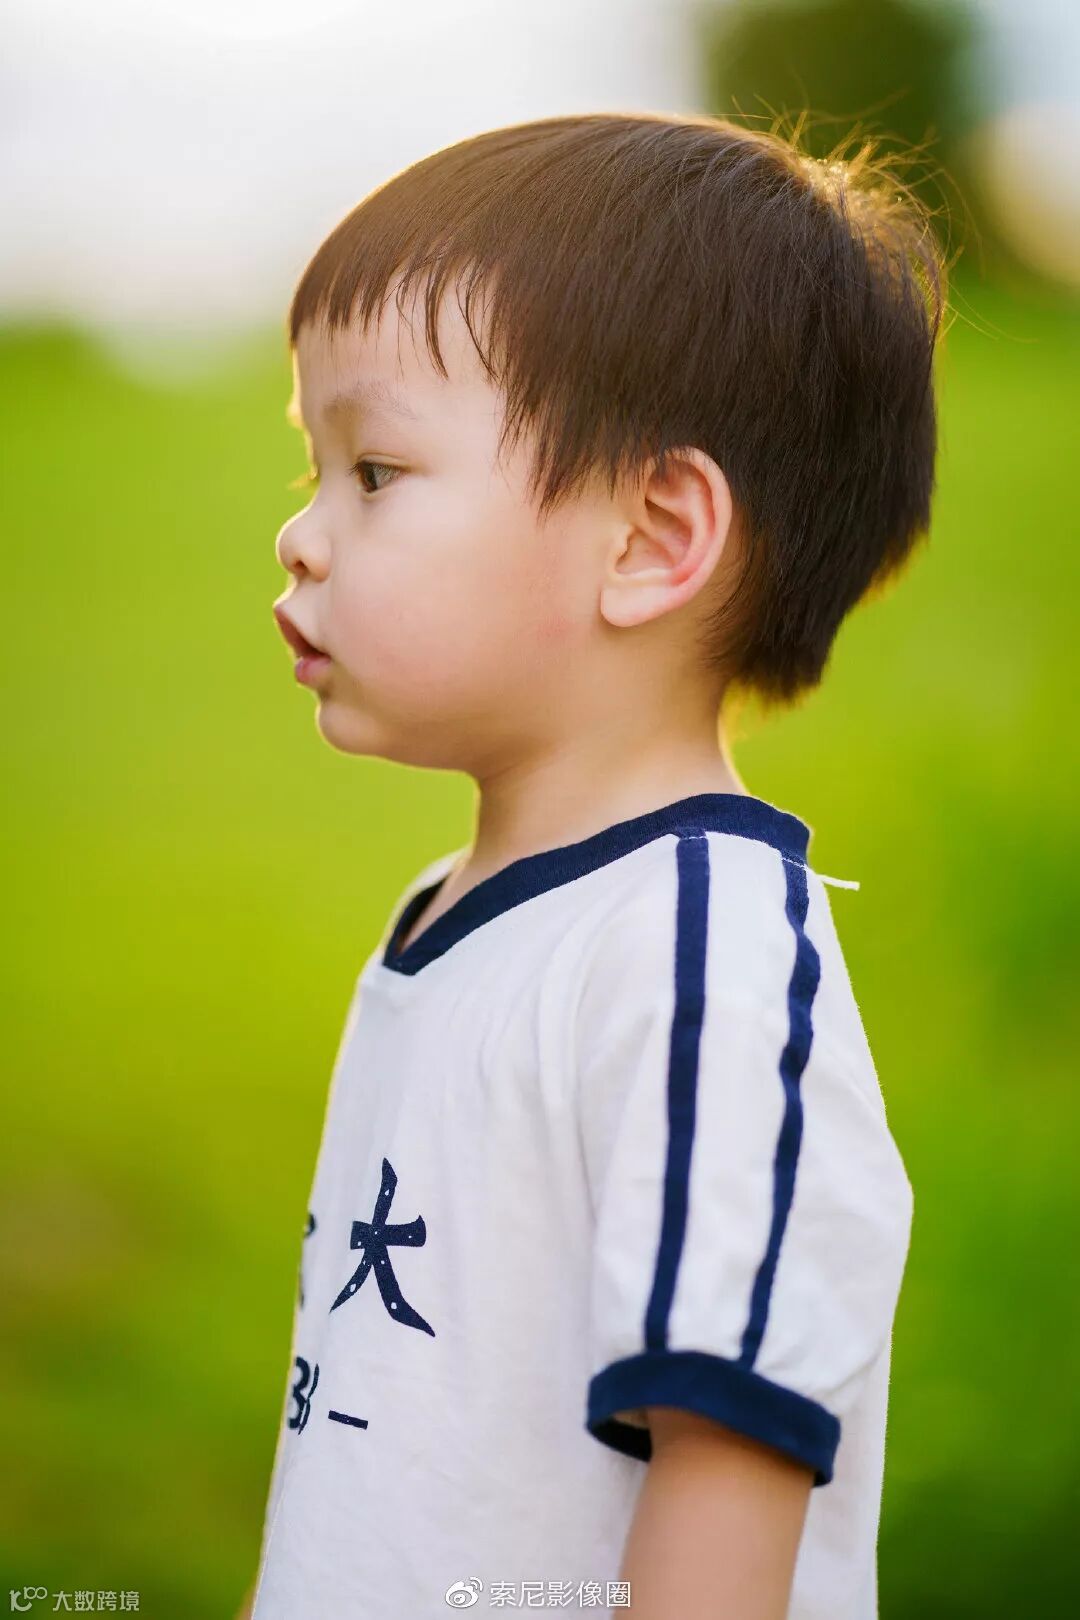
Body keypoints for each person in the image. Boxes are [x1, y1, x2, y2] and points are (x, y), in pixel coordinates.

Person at [240, 111, 945, 1620]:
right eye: (315, 467)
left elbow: (724, 1474)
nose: (300, 536)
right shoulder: (453, 916)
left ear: (650, 537)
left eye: (376, 469)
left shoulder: (696, 962)